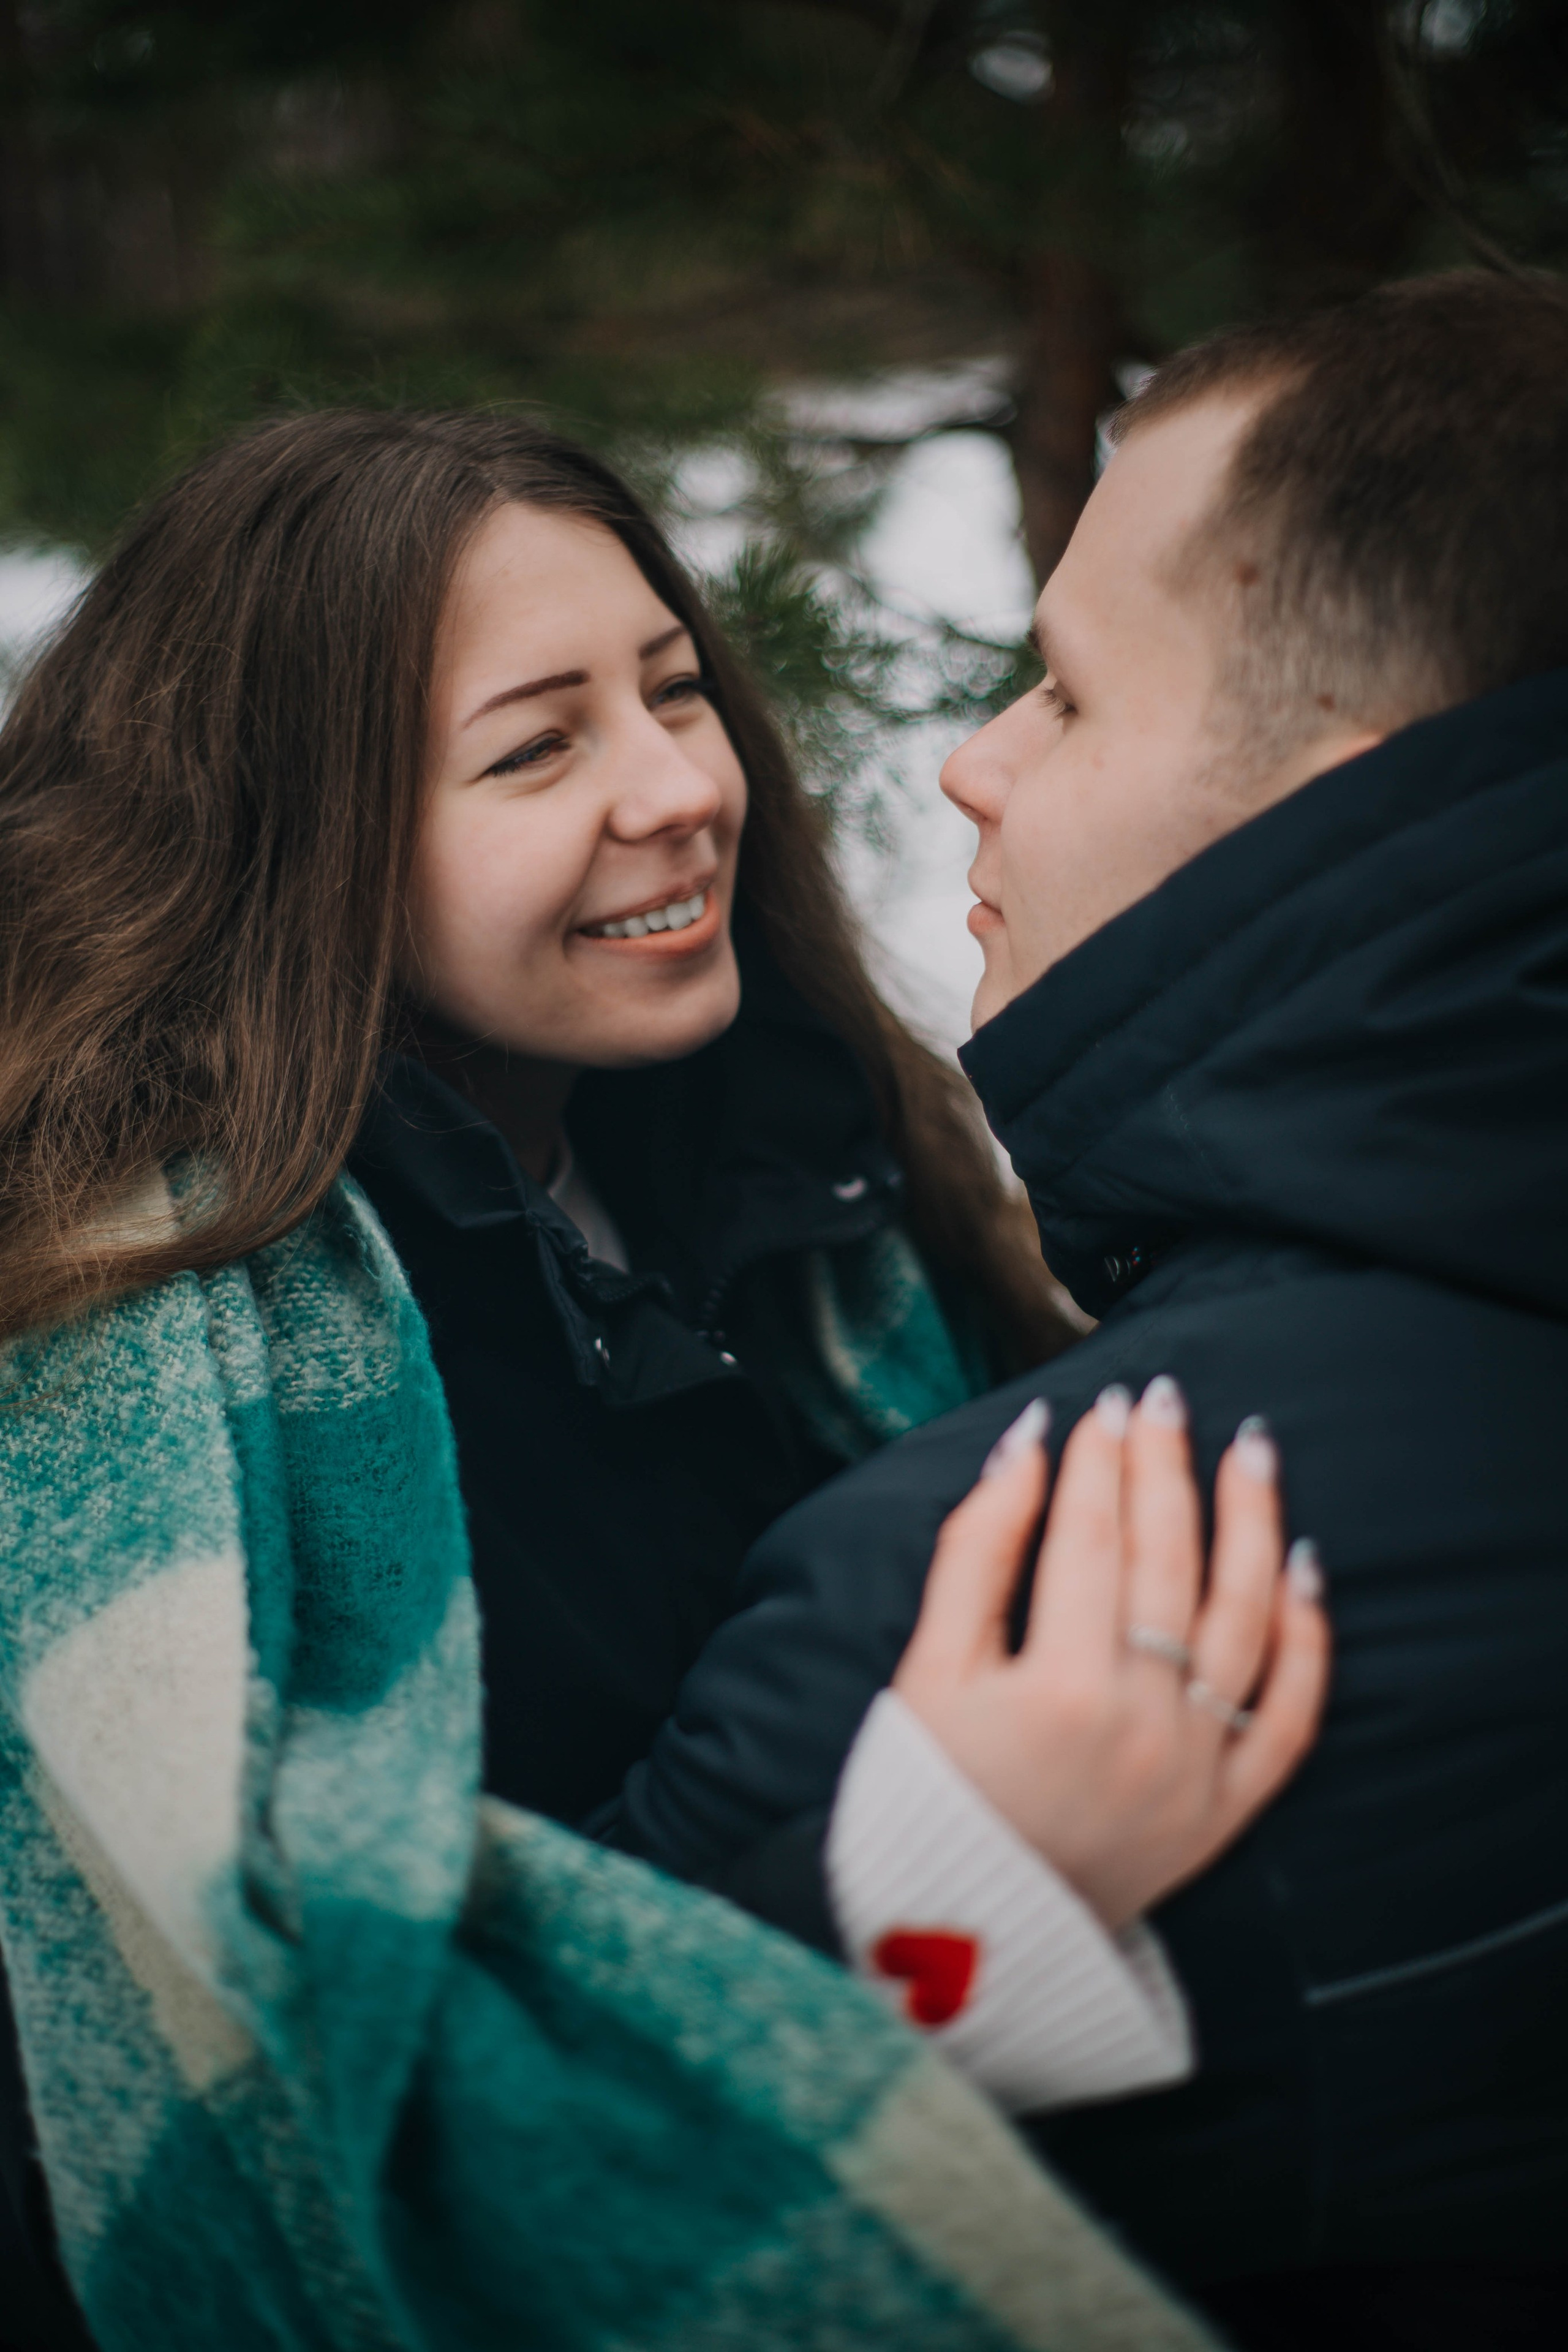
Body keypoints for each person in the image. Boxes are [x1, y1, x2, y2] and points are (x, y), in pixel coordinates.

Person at [0, 410, 1325, 2349]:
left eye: (676, 690)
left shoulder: (823, 1166)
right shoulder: (116, 1352)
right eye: (537, 747)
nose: (679, 788)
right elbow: (254, 2100)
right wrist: (937, 1893)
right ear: (294, 844)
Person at [597, 268, 1568, 2351]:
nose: (967, 764)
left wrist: (907, 1905)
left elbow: (448, 2250)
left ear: (1340, 795)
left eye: (1064, 693)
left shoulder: (1034, 1601)